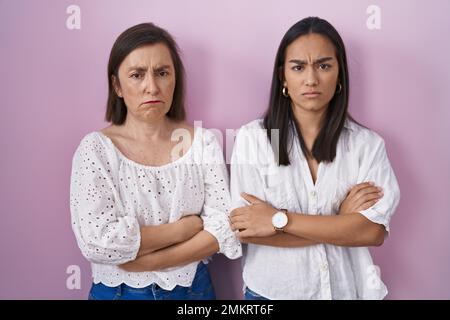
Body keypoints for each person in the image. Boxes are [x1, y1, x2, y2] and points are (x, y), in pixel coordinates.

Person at [230, 17, 400, 300]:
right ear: (283, 76)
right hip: (270, 294)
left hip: (345, 291)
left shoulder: (366, 145)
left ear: (340, 74)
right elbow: (248, 230)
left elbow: (372, 232)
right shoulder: (255, 139)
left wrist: (278, 220)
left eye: (324, 65)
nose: (311, 79)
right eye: (298, 67)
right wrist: (342, 222)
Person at [70, 22, 241, 300]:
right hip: (119, 292)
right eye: (137, 75)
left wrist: (146, 261)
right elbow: (98, 242)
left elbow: (224, 227)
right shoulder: (96, 150)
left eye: (162, 73)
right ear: (117, 85)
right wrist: (182, 229)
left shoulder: (202, 143)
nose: (152, 87)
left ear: (175, 79)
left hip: (193, 291)